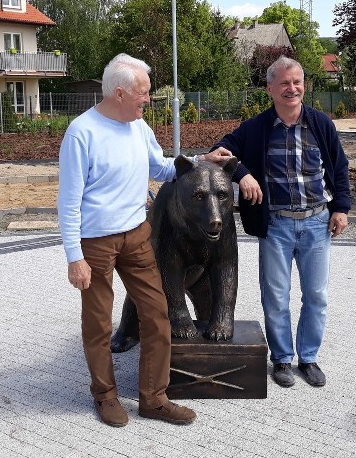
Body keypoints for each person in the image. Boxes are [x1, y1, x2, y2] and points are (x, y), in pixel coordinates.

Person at [57, 53, 231, 426]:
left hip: (137, 235)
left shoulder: (139, 128)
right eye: (144, 93)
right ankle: (105, 396)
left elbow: (162, 168)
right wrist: (75, 257)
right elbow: (68, 202)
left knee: (157, 315)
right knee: (99, 324)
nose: (148, 100)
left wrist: (202, 160)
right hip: (96, 243)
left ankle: (153, 397)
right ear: (119, 93)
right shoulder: (82, 133)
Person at [212, 56, 351, 388]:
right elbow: (218, 152)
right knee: (275, 296)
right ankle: (282, 360)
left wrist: (341, 207)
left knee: (316, 295)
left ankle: (309, 358)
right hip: (275, 225)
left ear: (304, 85)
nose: (292, 89)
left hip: (317, 223)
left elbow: (340, 168)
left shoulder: (321, 124)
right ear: (271, 88)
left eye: (297, 82)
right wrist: (242, 175)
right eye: (285, 83)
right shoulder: (255, 128)